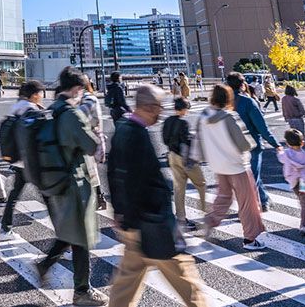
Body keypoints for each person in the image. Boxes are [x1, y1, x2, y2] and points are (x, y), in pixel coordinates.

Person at [107, 85, 208, 307]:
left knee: (125, 285)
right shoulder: (138, 135)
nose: (161, 112)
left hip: (133, 225)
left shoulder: (123, 127)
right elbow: (145, 183)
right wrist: (166, 221)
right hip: (153, 224)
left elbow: (114, 173)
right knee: (186, 281)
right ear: (150, 107)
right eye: (159, 107)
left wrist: (121, 214)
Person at [34, 67, 106, 306]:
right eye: (81, 90)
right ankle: (82, 291)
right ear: (76, 89)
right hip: (75, 181)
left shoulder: (52, 109)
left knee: (72, 233)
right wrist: (98, 136)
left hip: (58, 180)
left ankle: (46, 265)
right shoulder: (72, 115)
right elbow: (91, 147)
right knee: (82, 237)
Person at [193, 84, 268, 250]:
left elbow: (199, 143)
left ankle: (210, 220)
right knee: (248, 203)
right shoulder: (229, 116)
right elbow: (243, 144)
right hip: (237, 165)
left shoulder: (204, 117)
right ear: (227, 98)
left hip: (218, 165)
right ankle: (250, 239)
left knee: (223, 197)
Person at [224, 72, 278, 211]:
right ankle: (254, 207)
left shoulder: (225, 103)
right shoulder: (248, 101)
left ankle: (263, 200)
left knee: (248, 177)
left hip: (233, 147)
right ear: (242, 85)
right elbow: (261, 125)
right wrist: (275, 142)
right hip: (252, 144)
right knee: (252, 176)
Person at [0, 79, 44, 238]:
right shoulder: (30, 110)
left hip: (18, 160)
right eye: (40, 94)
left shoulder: (16, 108)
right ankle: (65, 241)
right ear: (33, 95)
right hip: (31, 161)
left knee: (14, 195)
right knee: (51, 198)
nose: (41, 96)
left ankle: (5, 229)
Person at [161, 97, 206, 230]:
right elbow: (186, 141)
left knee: (179, 188)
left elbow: (164, 139)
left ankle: (181, 218)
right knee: (201, 184)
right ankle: (205, 211)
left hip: (172, 156)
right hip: (185, 158)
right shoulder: (184, 123)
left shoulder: (167, 121)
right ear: (184, 109)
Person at [276, 129, 305, 237]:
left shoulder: (286, 155)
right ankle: (304, 225)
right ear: (302, 143)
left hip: (293, 181)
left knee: (302, 201)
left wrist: (279, 150)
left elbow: (280, 157)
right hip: (304, 181)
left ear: (287, 143)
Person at [77, 77, 108, 211]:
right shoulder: (85, 97)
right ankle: (99, 197)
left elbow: (80, 116)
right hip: (88, 140)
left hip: (89, 140)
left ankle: (98, 197)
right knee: (90, 170)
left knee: (89, 170)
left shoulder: (88, 98)